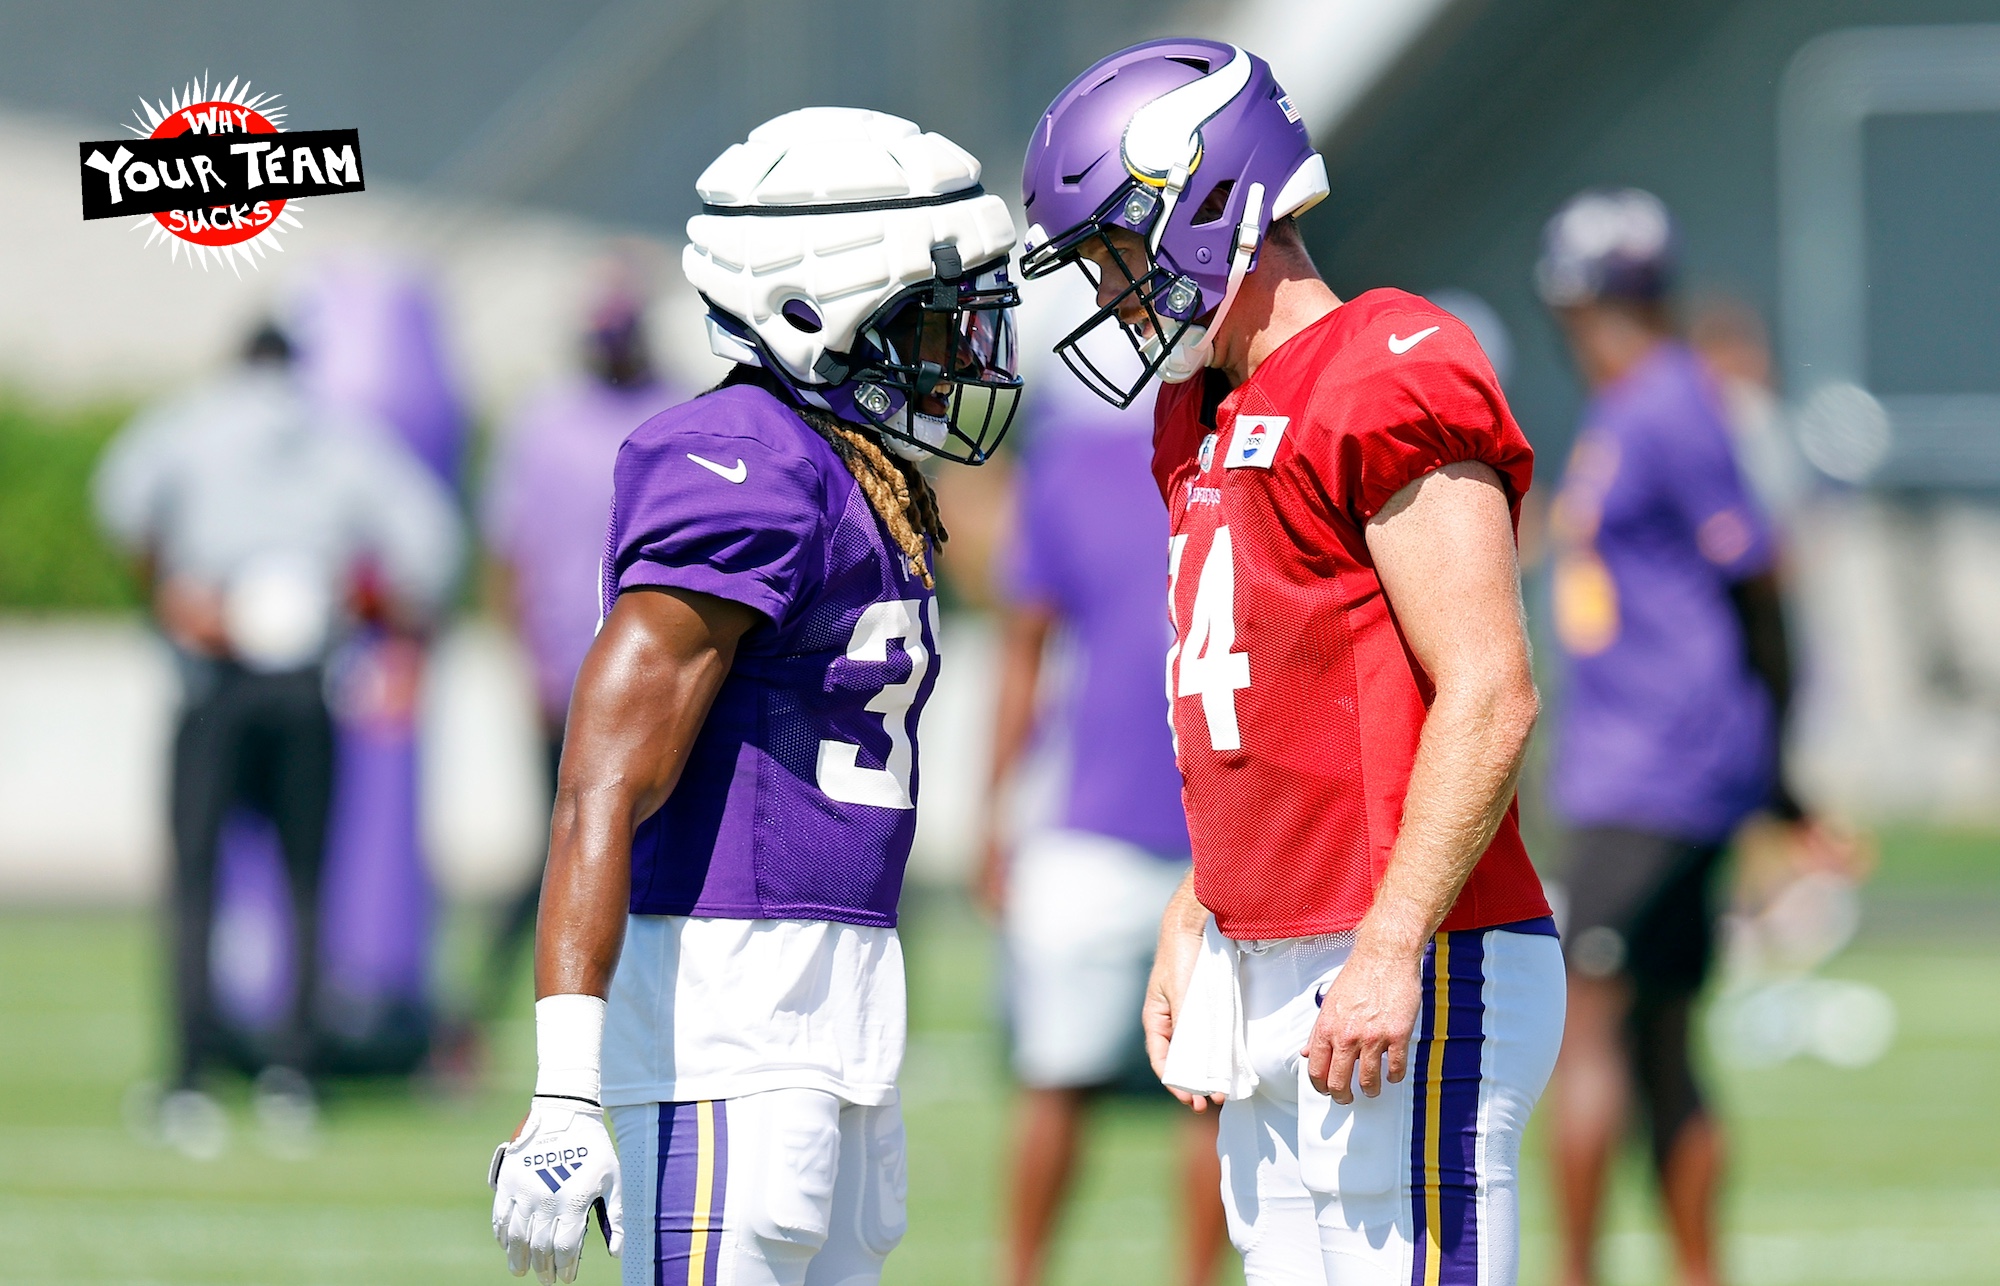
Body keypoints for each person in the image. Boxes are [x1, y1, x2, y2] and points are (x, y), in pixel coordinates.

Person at [1020, 38, 1563, 1286]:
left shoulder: (1384, 365)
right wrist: (1197, 898)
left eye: (1114, 246)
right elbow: (1261, 705)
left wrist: (1388, 945)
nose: (1108, 289)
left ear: (1205, 196)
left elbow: (1488, 688)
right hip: (1267, 951)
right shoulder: (1202, 416)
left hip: (1404, 948)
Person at [486, 107, 1022, 1286]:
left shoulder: (856, 466)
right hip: (723, 1014)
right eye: (932, 318)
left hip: (836, 1009)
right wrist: (566, 1089)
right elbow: (597, 784)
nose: (964, 351)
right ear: (813, 305)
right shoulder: (743, 457)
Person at [1534, 188, 1843, 1286]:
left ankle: (1574, 1270)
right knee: (1659, 1035)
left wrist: (1775, 774)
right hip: (1649, 760)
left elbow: (1755, 580)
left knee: (1590, 1024)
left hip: (1657, 769)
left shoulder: (1667, 403)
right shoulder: (1633, 407)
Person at [94, 321, 462, 1156]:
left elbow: (117, 499)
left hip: (212, 677)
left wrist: (167, 591)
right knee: (304, 883)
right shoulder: (339, 433)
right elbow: (428, 547)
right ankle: (294, 1073)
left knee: (195, 880)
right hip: (305, 684)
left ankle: (190, 1075)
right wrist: (371, 614)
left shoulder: (189, 420)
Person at [977, 365, 1225, 1286]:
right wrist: (996, 815)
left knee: (1200, 1086)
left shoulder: (1239, 436)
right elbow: (1026, 649)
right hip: (1120, 825)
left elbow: (1022, 651)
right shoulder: (1079, 457)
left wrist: (992, 818)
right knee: (1076, 1076)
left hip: (1202, 826)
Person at [479, 284, 682, 1019]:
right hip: (566, 674)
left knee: (657, 850)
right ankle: (487, 1016)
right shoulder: (541, 423)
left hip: (662, 674)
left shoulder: (678, 410)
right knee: (563, 848)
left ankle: (650, 1012)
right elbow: (509, 557)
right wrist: (523, 661)